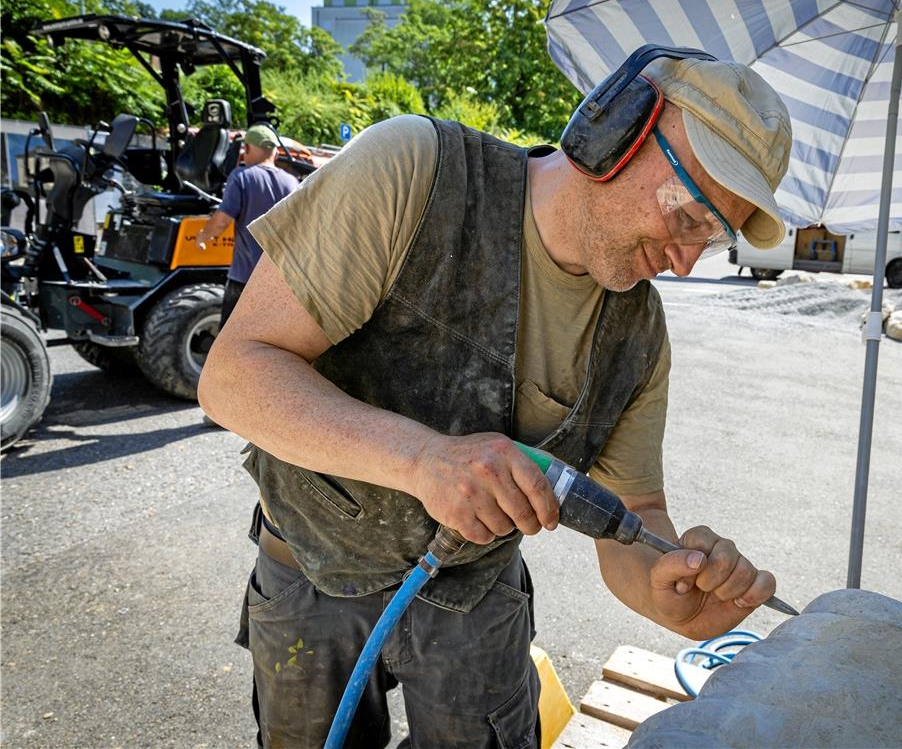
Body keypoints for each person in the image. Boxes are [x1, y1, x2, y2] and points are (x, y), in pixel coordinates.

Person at [199, 51, 793, 749]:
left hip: (477, 596)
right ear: (616, 134)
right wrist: (423, 459)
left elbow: (634, 512)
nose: (687, 261)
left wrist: (666, 594)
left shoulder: (638, 334)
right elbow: (235, 374)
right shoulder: (413, 173)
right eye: (691, 216)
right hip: (310, 573)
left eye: (713, 238)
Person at [195, 124, 299, 326]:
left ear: (249, 149)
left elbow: (222, 222)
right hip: (280, 282)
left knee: (231, 340)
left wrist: (202, 236)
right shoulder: (292, 183)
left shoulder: (242, 176)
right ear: (275, 151)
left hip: (245, 279)